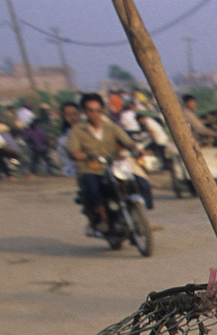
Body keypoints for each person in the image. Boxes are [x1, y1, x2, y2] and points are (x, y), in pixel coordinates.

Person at [66, 92, 147, 236]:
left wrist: (136, 149)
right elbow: (73, 151)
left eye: (98, 110)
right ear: (84, 112)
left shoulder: (111, 127)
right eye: (90, 110)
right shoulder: (77, 130)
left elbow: (128, 142)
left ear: (102, 110)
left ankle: (140, 217)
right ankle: (103, 218)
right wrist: (85, 156)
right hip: (90, 169)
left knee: (139, 182)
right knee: (92, 186)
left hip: (113, 167)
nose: (94, 114)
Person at [21, 111, 56, 176]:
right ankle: (49, 173)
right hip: (43, 148)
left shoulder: (29, 131)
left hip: (36, 148)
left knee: (35, 161)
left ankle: (33, 173)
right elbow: (45, 138)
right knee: (46, 160)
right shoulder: (40, 130)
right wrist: (48, 145)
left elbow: (26, 138)